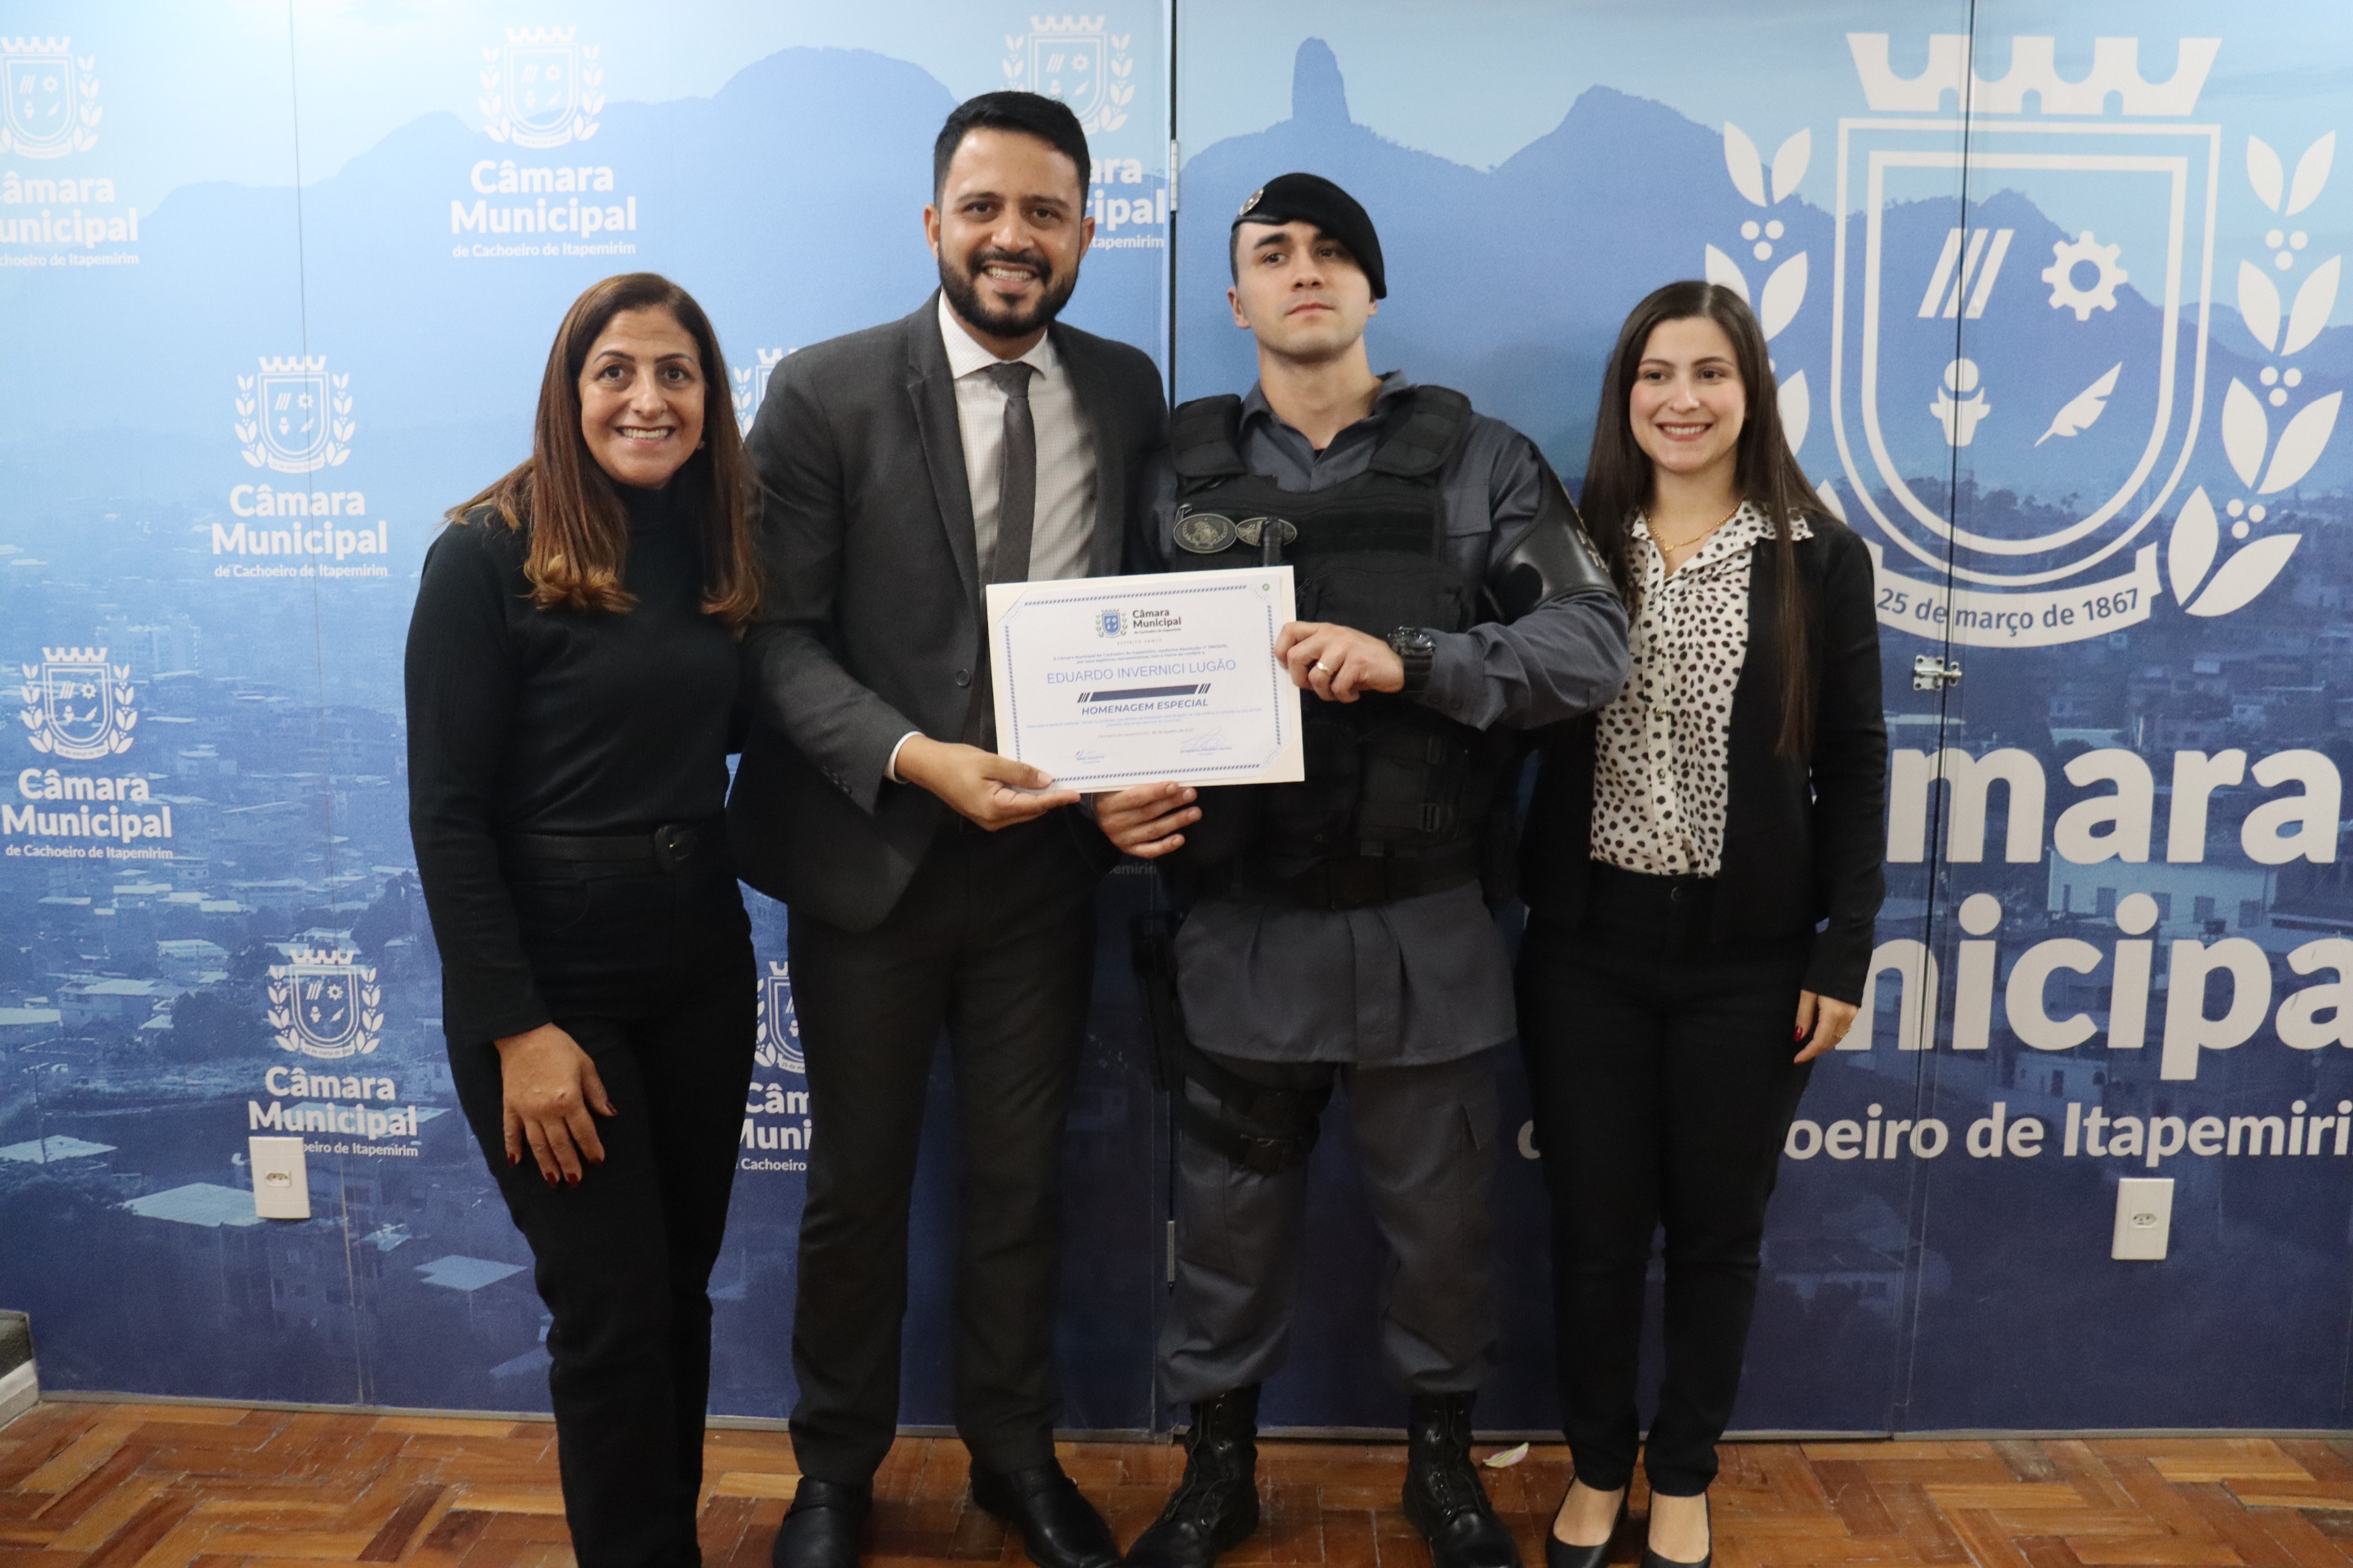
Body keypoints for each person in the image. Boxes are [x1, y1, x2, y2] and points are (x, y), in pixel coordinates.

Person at [1096, 173, 1630, 1568]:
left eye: (1331, 252)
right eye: (1272, 254)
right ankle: (1218, 1472)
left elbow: (1593, 645)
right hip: (1240, 923)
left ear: (1370, 287)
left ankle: (1440, 1469)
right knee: (1225, 1224)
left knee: (1443, 1230)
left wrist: (1418, 660)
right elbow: (1089, 660)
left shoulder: (1479, 462)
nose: (1303, 270)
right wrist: (1104, 791)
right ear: (1236, 299)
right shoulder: (1170, 471)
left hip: (1423, 925)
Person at [726, 92, 1167, 1568]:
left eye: (1044, 212)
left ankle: (1013, 1455)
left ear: (1086, 233)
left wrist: (1135, 772)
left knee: (1020, 1186)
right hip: (870, 866)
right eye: (983, 208)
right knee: (856, 1195)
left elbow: (1144, 621)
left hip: (1044, 874)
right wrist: (919, 761)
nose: (1011, 238)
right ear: (933, 224)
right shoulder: (826, 392)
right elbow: (776, 642)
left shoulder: (1126, 390)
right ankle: (834, 1474)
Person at [1516, 281, 1886, 1568]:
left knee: (1720, 1231)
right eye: (1656, 374)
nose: (1682, 399)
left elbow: (1857, 760)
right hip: (1585, 949)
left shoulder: (1819, 557)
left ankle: (1681, 1474)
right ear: (1625, 394)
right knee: (1593, 1230)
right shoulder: (1568, 546)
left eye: (1710, 373)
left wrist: (1844, 948)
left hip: (1751, 961)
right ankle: (1595, 1465)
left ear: (1751, 391)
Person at [406, 272, 763, 1568]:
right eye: (616, 371)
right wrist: (518, 1029)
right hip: (551, 988)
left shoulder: (722, 546)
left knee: (674, 1294)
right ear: (570, 393)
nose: (647, 399)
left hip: (700, 962)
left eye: (676, 373)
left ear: (711, 400)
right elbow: (447, 817)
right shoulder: (483, 553)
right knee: (610, 1314)